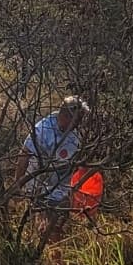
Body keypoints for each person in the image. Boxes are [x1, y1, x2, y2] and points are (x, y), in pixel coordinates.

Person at [19, 96, 98, 234]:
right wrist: (18, 183)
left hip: (62, 185)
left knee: (58, 223)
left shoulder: (78, 132)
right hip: (39, 182)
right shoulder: (43, 129)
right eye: (77, 119)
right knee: (44, 222)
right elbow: (24, 154)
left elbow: (82, 159)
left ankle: (50, 242)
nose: (79, 123)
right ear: (66, 116)